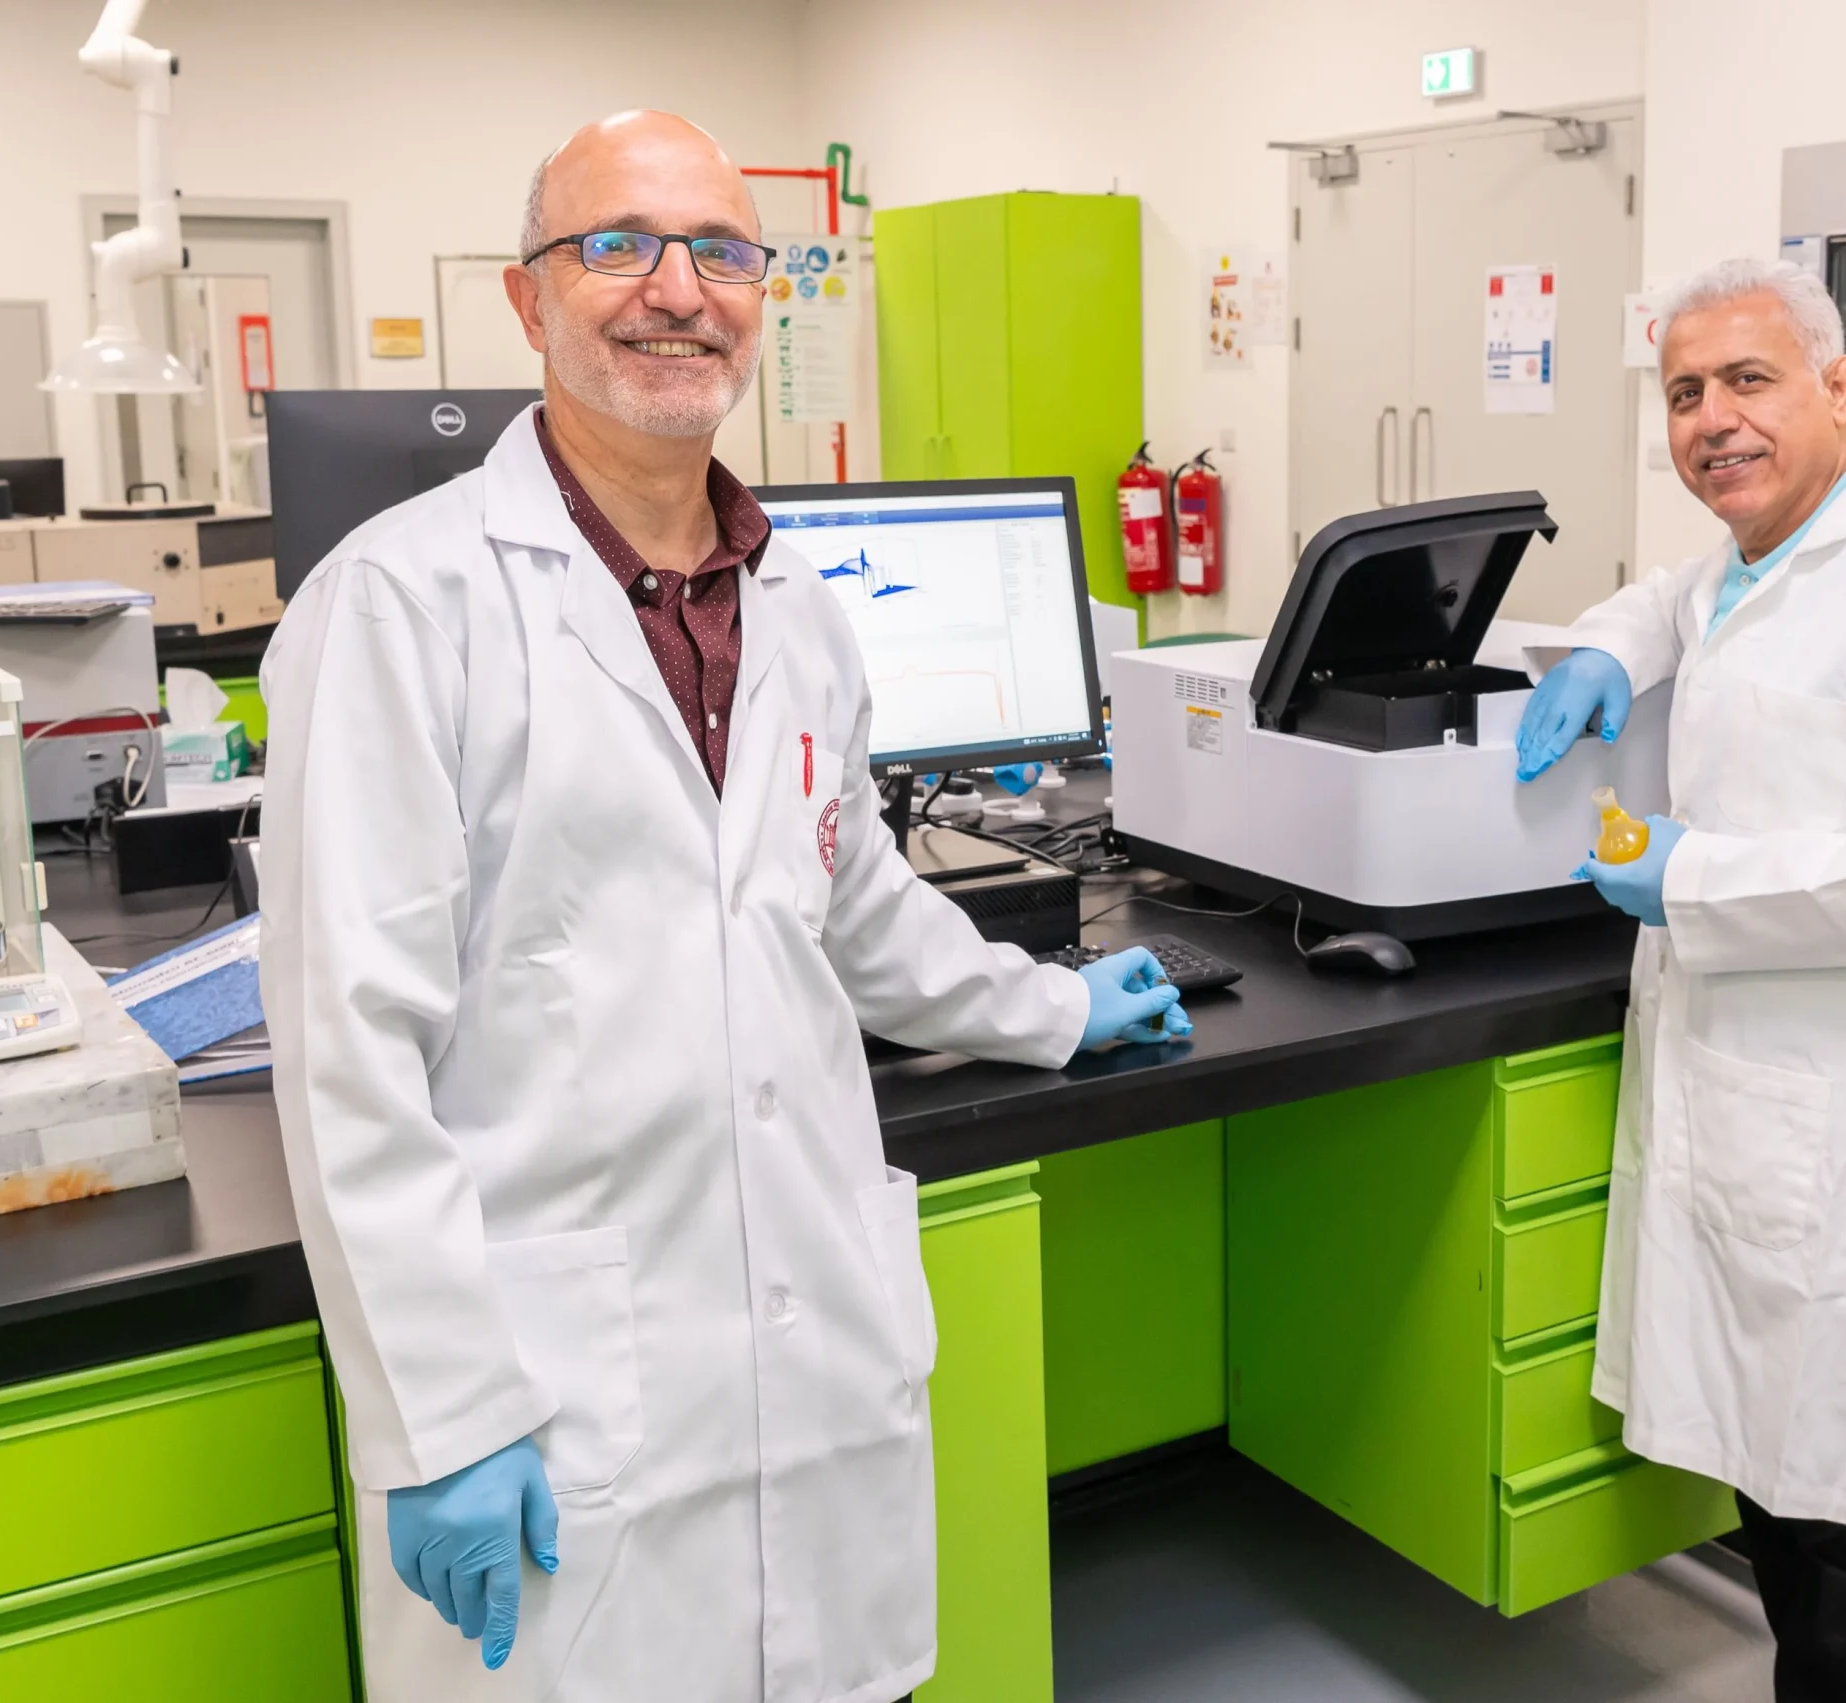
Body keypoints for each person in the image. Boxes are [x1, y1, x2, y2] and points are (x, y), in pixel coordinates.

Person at [258, 110, 1187, 1703]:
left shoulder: (800, 605)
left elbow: (853, 901)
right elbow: (349, 1051)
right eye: (617, 245)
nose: (677, 289)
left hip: (814, 1367)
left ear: (763, 295)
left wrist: (1056, 1008)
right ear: (528, 298)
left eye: (723, 252)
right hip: (552, 1396)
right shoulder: (402, 605)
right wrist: (443, 1414)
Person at [1514, 257, 1846, 1703]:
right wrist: (1604, 649)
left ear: (1836, 388)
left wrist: (1697, 877)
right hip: (1747, 1105)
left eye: (1748, 381)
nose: (1714, 420)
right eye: (1686, 392)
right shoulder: (1745, 565)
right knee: (1775, 1482)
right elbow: (1673, 601)